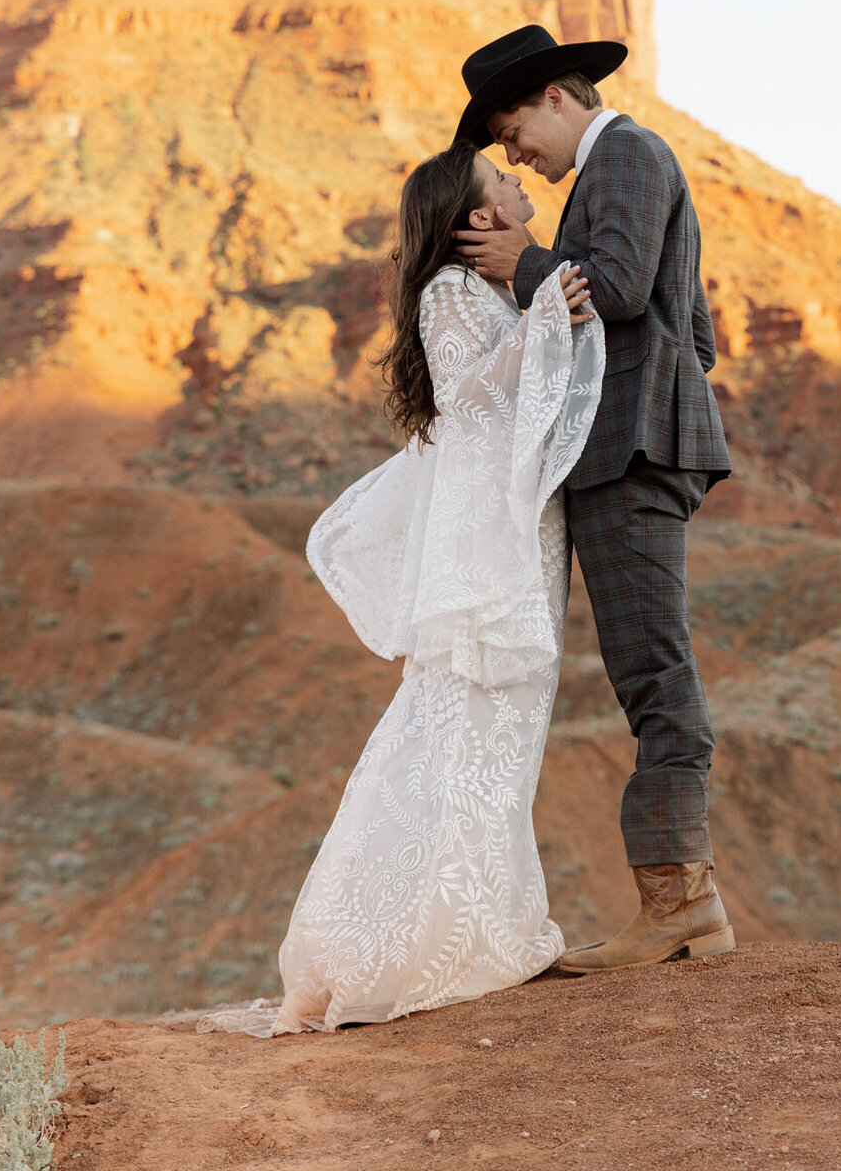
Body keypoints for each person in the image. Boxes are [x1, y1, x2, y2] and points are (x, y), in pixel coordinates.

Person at [198, 143, 603, 1033]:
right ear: (480, 217)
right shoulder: (450, 293)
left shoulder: (491, 289)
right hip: (488, 550)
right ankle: (425, 944)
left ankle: (482, 925)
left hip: (518, 528)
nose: (518, 180)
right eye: (502, 181)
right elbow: (466, 400)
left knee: (506, 733)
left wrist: (538, 317)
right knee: (463, 726)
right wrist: (544, 322)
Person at [452, 25, 734, 973]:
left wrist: (520, 264)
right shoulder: (623, 166)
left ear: (557, 100)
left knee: (653, 672)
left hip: (629, 455)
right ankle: (683, 900)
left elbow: (613, 288)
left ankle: (681, 904)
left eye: (513, 131)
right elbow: (691, 330)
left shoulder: (623, 156)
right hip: (638, 446)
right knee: (644, 666)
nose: (514, 154)